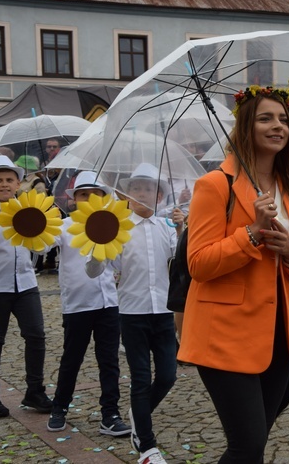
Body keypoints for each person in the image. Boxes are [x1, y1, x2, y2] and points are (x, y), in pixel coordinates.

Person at [177, 84, 289, 463]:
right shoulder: (213, 186)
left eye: (284, 119)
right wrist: (252, 232)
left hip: (275, 335)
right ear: (245, 127)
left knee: (251, 447)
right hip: (223, 334)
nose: (278, 126)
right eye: (265, 118)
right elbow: (199, 264)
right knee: (248, 444)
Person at [86, 162, 183, 464]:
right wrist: (99, 244)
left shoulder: (166, 227)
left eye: (150, 188)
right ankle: (147, 447)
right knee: (141, 379)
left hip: (164, 313)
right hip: (132, 313)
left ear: (160, 195)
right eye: (137, 188)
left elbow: (183, 262)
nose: (143, 193)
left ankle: (138, 415)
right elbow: (93, 271)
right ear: (125, 194)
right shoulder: (117, 228)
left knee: (167, 375)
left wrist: (181, 228)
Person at [45, 171, 131, 436]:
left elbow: (117, 263)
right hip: (78, 305)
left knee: (109, 361)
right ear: (74, 200)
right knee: (72, 359)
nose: (90, 199)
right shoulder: (64, 226)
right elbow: (41, 247)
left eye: (96, 194)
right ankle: (59, 407)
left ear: (105, 199)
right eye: (83, 195)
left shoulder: (112, 226)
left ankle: (110, 414)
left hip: (107, 303)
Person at [0, 155, 53, 418]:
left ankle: (35, 391)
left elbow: (42, 247)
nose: (4, 185)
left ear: (18, 182)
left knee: (36, 336)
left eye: (9, 179)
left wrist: (36, 228)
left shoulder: (27, 209)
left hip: (26, 284)